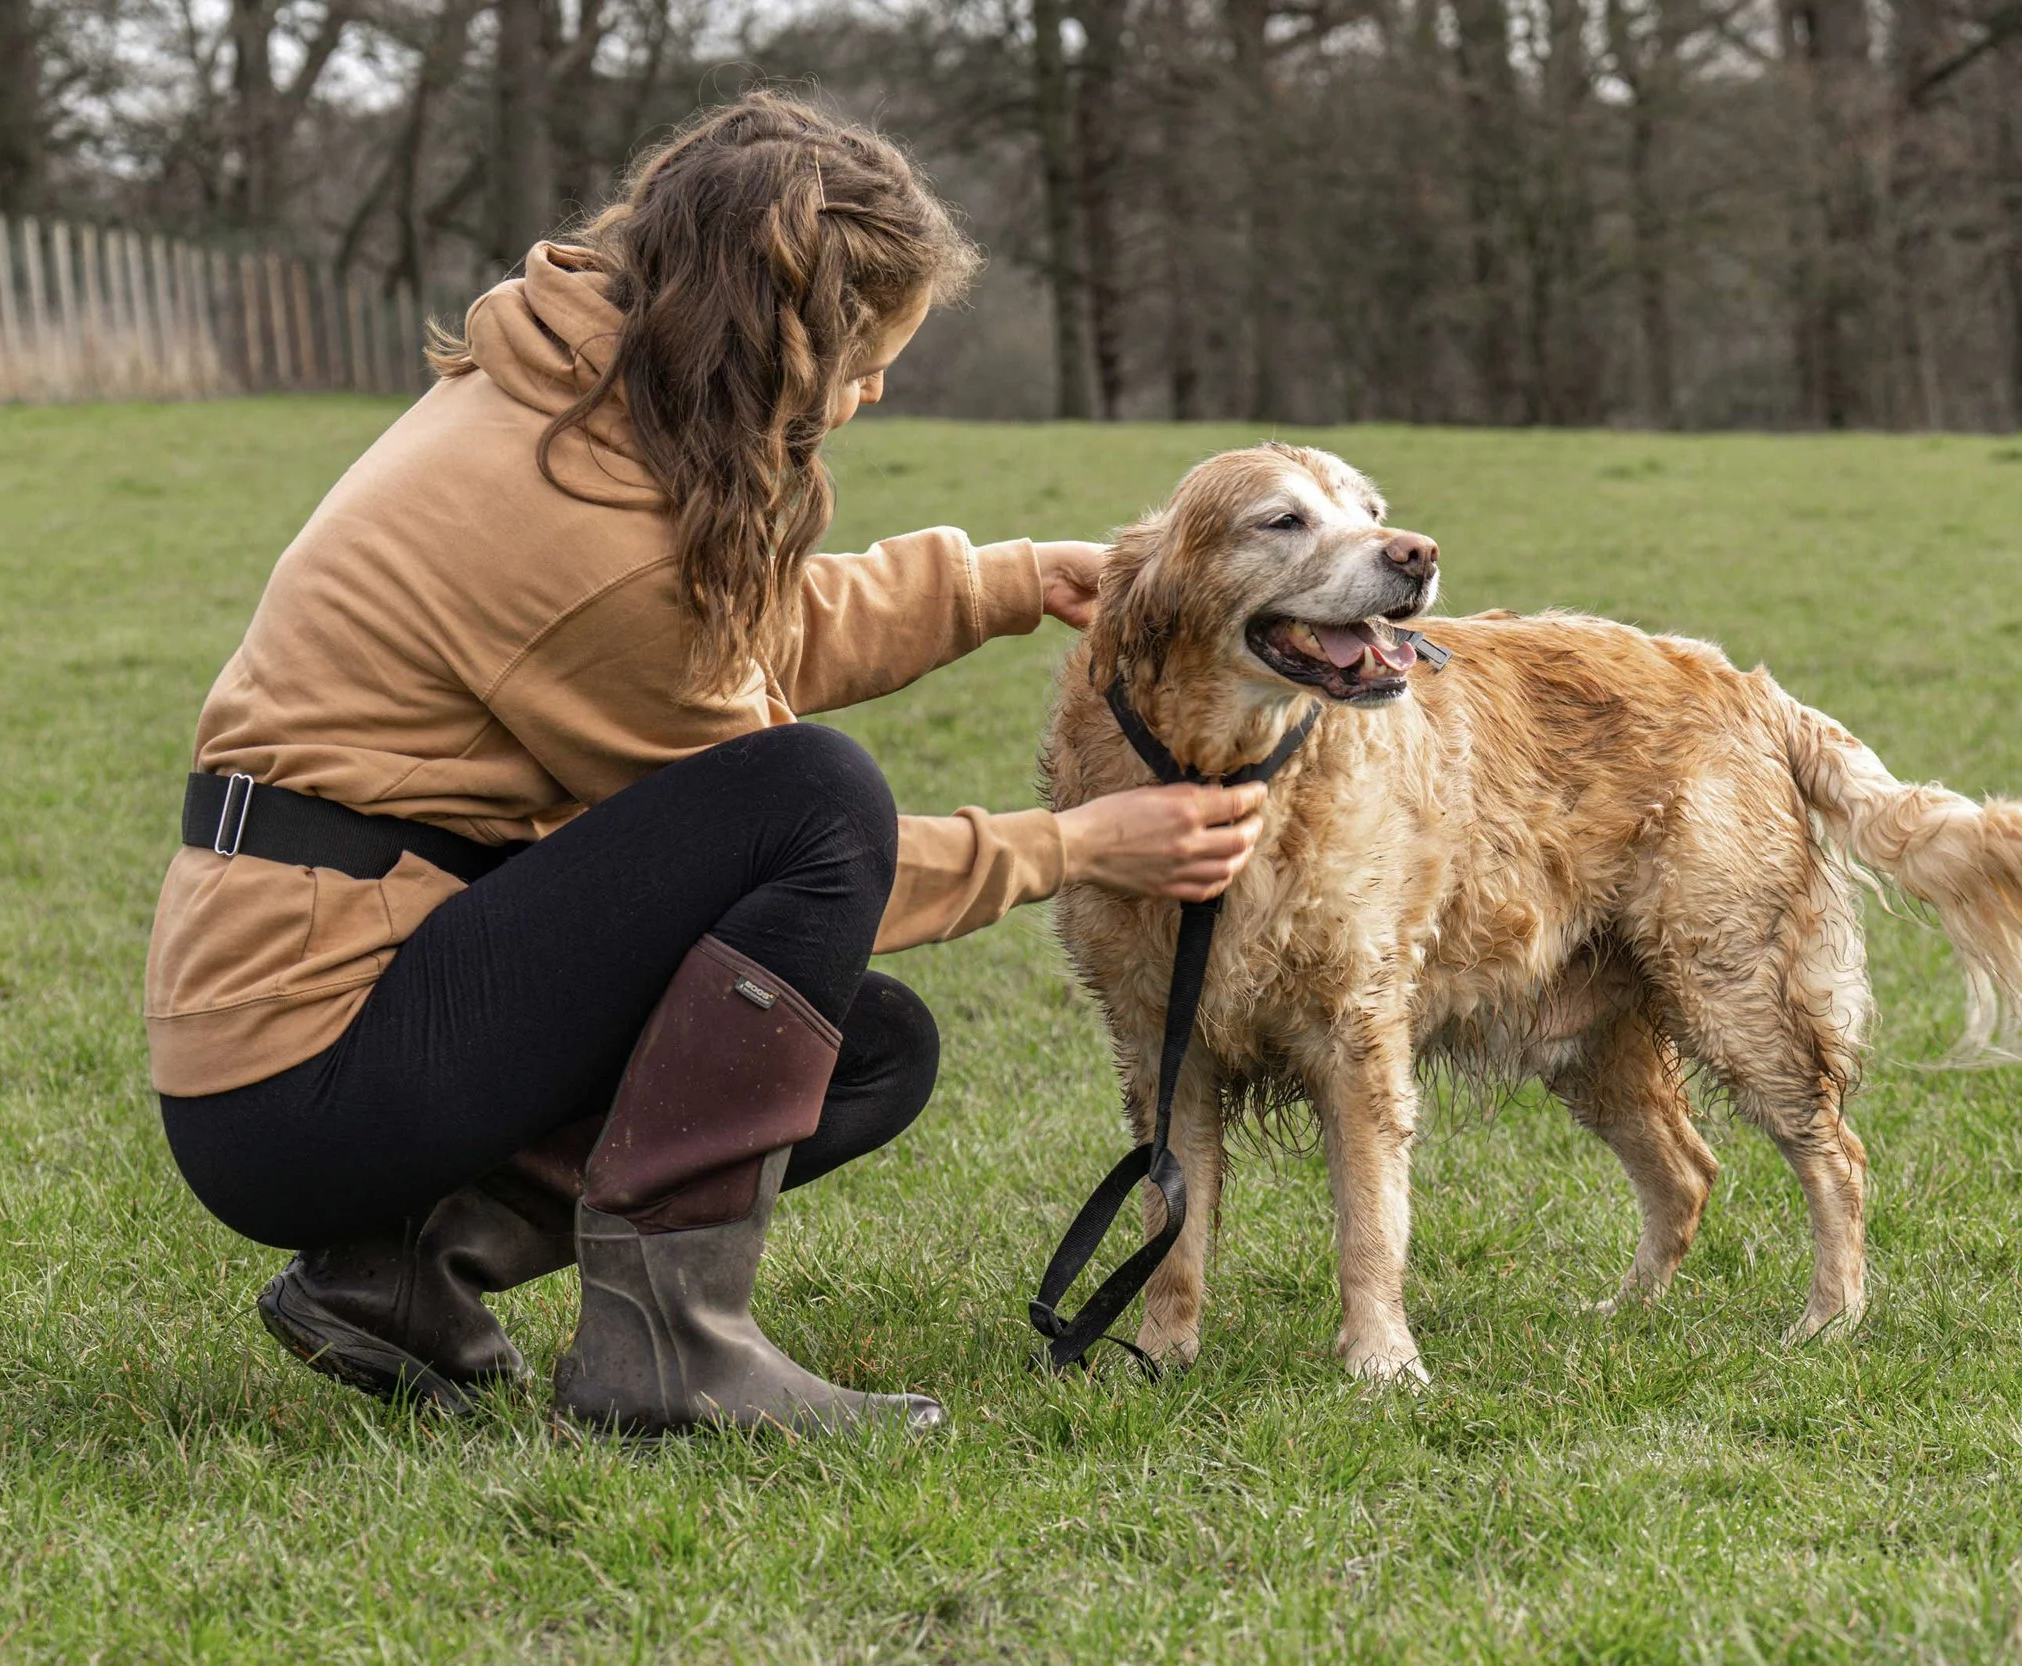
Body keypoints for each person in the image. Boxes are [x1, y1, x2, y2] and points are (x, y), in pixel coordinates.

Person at [145, 93, 1267, 1438]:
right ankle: (665, 1354)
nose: (878, 389)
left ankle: (401, 1273)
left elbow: (732, 631)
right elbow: (803, 834)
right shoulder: (575, 517)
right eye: (871, 353)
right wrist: (1080, 844)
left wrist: (1001, 583)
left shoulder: (577, 403)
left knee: (860, 1049)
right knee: (817, 789)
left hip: (344, 1000)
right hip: (305, 1071)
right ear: (787, 336)